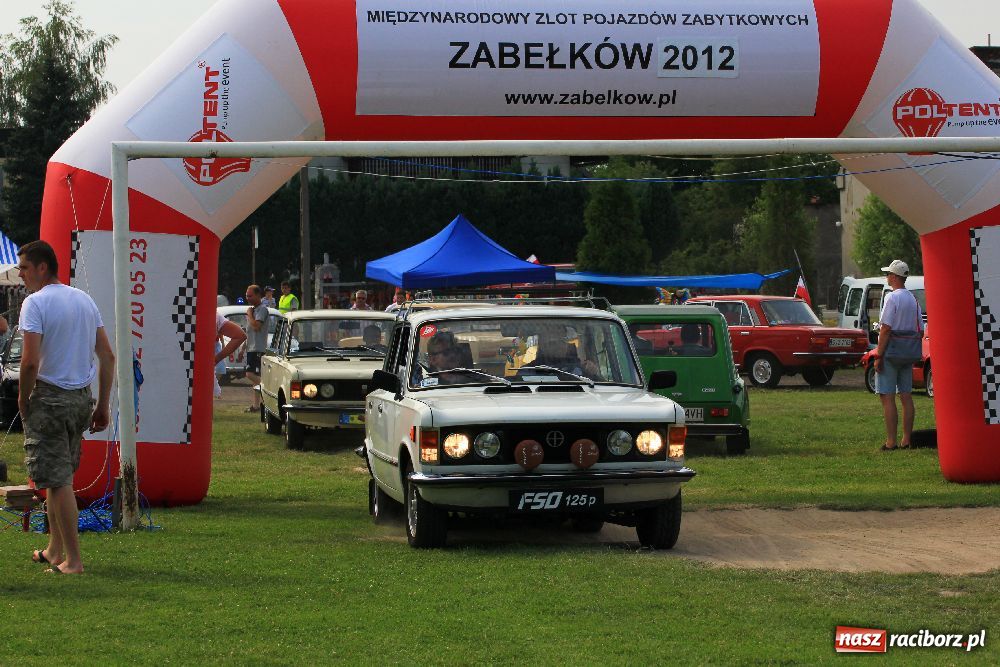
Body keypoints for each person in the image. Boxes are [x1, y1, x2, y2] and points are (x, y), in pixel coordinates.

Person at [17, 240, 115, 575]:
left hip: (48, 398)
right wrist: (102, 405)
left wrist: (22, 399)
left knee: (57, 483)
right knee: (60, 477)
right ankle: (54, 548)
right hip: (80, 398)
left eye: (25, 268)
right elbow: (108, 356)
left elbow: (29, 363)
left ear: (42, 267)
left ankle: (73, 560)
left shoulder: (34, 303)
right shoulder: (84, 300)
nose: (20, 274)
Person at [873, 259, 922, 451]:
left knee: (887, 396)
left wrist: (878, 354)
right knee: (906, 395)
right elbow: (920, 328)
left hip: (892, 351)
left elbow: (885, 328)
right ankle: (907, 439)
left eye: (888, 274)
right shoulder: (913, 299)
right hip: (908, 351)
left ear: (894, 277)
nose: (887, 277)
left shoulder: (892, 298)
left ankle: (891, 441)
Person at [530, 325, 602, 380]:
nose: (559, 346)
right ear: (542, 346)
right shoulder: (528, 371)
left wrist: (591, 372)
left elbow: (597, 387)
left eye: (562, 341)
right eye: (552, 342)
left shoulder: (581, 369)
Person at [244, 284, 269, 413]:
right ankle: (256, 406)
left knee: (250, 374)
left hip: (258, 348)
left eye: (250, 295)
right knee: (255, 380)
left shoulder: (262, 310)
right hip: (251, 348)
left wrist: (249, 315)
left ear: (258, 295)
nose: (248, 298)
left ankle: (269, 388)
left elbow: (256, 327)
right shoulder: (253, 311)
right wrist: (243, 348)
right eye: (246, 295)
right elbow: (248, 332)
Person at [214, 310, 248, 398]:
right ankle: (214, 390)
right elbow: (241, 335)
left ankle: (213, 389)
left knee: (221, 369)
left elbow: (241, 335)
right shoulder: (215, 315)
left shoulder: (215, 316)